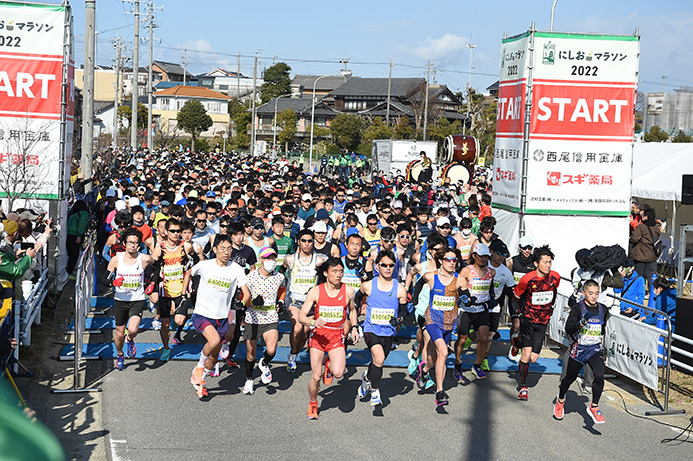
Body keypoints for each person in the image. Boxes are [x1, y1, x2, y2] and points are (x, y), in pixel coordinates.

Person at [183, 234, 250, 398]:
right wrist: (184, 293)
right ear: (215, 250)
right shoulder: (205, 265)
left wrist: (241, 304)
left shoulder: (236, 269)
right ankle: (199, 367)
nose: (226, 252)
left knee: (213, 359)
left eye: (229, 249)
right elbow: (189, 273)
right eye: (223, 249)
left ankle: (199, 380)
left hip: (222, 318)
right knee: (212, 341)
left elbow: (246, 293)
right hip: (203, 313)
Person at [298, 258, 359, 419]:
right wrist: (313, 321)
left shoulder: (348, 291)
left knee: (338, 373)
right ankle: (313, 403)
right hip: (318, 337)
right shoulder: (316, 291)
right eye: (335, 271)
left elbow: (352, 311)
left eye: (341, 271)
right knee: (316, 377)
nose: (338, 275)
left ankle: (329, 365)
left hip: (336, 337)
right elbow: (301, 316)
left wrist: (354, 327)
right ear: (326, 273)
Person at [412, 246, 464, 407]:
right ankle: (440, 392)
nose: (451, 263)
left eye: (454, 260)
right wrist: (413, 300)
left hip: (449, 323)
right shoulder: (431, 276)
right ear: (441, 261)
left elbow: (465, 292)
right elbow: (418, 285)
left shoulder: (459, 279)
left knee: (435, 357)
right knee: (443, 351)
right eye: (448, 259)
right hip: (432, 320)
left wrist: (466, 298)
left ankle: (425, 370)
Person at [357, 250, 408, 406]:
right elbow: (355, 300)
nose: (387, 268)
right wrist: (355, 318)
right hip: (371, 329)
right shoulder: (367, 286)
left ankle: (366, 378)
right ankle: (375, 391)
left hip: (388, 332)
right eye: (384, 265)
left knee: (378, 362)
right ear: (377, 267)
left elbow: (404, 310)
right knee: (378, 358)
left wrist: (399, 318)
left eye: (391, 265)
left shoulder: (400, 288)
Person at [554, 280, 608, 424]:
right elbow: (568, 329)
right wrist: (580, 324)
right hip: (580, 349)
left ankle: (594, 406)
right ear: (584, 293)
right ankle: (560, 398)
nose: (594, 296)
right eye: (590, 293)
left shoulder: (603, 309)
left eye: (596, 293)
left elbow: (603, 329)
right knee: (569, 378)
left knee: (599, 375)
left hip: (595, 349)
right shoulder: (578, 308)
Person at [514, 245, 561, 401]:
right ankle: (523, 387)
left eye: (550, 262)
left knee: (534, 358)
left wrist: (551, 307)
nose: (548, 265)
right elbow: (515, 298)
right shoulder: (527, 279)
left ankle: (517, 342)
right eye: (545, 262)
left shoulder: (555, 277)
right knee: (526, 355)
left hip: (542, 322)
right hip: (528, 320)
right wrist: (520, 316)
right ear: (536, 263)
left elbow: (553, 292)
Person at [107, 227, 156, 370]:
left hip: (138, 298)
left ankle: (130, 339)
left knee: (132, 329)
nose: (133, 245)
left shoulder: (144, 258)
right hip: (120, 299)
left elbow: (157, 268)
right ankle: (120, 354)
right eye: (130, 242)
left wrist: (151, 283)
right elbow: (106, 278)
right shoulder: (116, 259)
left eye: (135, 243)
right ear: (124, 243)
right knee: (119, 333)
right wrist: (114, 283)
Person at [150, 218, 198, 361]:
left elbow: (197, 264)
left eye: (178, 231)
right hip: (164, 290)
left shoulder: (186, 247)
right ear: (166, 231)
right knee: (165, 325)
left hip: (181, 291)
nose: (176, 234)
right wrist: (152, 288)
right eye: (173, 231)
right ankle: (166, 348)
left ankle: (175, 327)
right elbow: (151, 268)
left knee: (178, 320)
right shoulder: (160, 248)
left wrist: (192, 282)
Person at [242, 247, 286, 395]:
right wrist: (252, 302)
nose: (271, 262)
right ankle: (249, 380)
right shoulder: (250, 277)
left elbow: (282, 289)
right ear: (260, 260)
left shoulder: (279, 277)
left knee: (271, 349)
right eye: (267, 259)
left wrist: (280, 301)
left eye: (273, 259)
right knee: (251, 353)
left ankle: (264, 363)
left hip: (271, 317)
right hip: (253, 318)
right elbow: (243, 297)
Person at [284, 229, 327, 372]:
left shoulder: (319, 260)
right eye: (304, 241)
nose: (307, 244)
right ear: (298, 242)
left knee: (304, 332)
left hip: (310, 302)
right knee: (297, 328)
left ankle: (296, 351)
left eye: (310, 241)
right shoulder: (290, 259)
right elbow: (282, 273)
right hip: (294, 299)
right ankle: (292, 354)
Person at [453, 243, 495, 381]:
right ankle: (458, 363)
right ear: (474, 256)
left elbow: (490, 288)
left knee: (484, 338)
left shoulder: (491, 272)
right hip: (467, 310)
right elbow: (460, 286)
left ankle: (477, 365)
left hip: (482, 310)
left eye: (486, 257)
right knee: (462, 340)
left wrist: (492, 298)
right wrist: (465, 296)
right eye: (481, 256)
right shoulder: (467, 271)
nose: (483, 259)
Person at [506, 235, 535, 362]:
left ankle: (519, 344)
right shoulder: (512, 261)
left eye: (529, 248)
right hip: (515, 298)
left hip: (528, 300)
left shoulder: (534, 262)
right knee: (517, 325)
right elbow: (507, 280)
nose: (527, 250)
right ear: (519, 248)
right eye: (524, 248)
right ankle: (513, 344)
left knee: (526, 326)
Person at [629, 208, 660, 289]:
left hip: (640, 256)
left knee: (639, 277)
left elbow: (634, 239)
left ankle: (639, 292)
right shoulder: (656, 228)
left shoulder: (641, 227)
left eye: (642, 216)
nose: (641, 217)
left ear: (646, 217)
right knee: (651, 277)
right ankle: (652, 294)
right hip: (652, 257)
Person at [66, 200, 89, 275]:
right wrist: (79, 236)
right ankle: (70, 272)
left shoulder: (73, 214)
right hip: (75, 235)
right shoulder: (84, 214)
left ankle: (69, 270)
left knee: (70, 254)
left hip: (68, 234)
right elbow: (81, 225)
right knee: (74, 255)